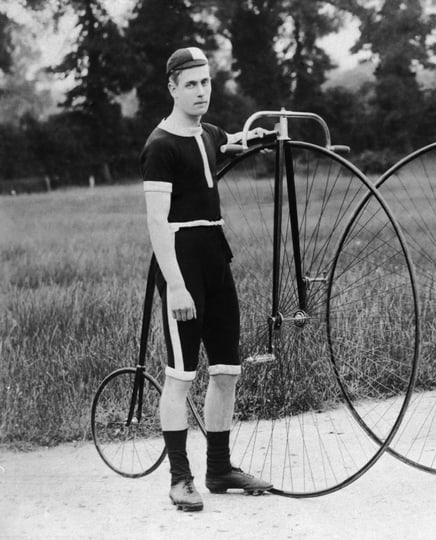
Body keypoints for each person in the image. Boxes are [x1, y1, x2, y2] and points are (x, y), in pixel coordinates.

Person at [141, 47, 272, 512]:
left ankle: (219, 469)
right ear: (173, 87)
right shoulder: (160, 146)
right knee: (180, 375)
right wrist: (175, 284)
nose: (201, 91)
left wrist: (249, 139)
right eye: (191, 84)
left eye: (206, 83)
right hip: (181, 262)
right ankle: (180, 478)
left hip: (216, 256)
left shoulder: (209, 133)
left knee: (227, 372)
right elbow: (158, 223)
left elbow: (226, 143)